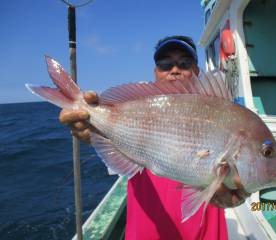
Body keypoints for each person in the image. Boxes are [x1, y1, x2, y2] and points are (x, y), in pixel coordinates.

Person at [59, 36, 250, 239]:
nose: (174, 70)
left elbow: (239, 174)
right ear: (155, 73)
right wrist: (96, 132)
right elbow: (117, 152)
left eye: (184, 63)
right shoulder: (139, 109)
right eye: (165, 64)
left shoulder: (225, 114)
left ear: (197, 71)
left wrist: (240, 191)